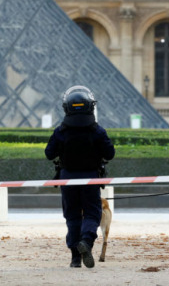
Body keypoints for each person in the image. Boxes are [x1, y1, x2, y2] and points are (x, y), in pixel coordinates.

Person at [44, 85, 115, 269]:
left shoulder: (60, 131)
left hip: (67, 178)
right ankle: (86, 241)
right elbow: (110, 153)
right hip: (91, 177)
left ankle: (75, 258)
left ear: (66, 108)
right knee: (92, 213)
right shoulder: (97, 131)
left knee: (72, 216)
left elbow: (49, 154)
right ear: (90, 106)